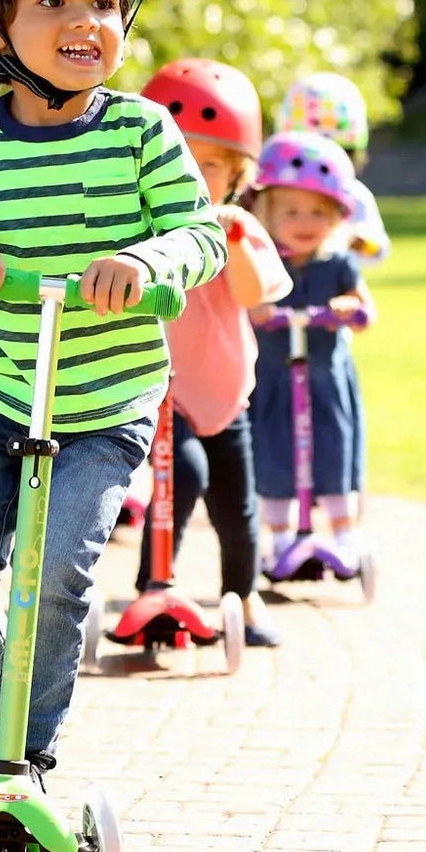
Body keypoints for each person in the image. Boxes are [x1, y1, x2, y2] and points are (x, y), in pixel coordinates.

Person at [0, 0, 227, 798]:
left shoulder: (143, 133)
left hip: (105, 404)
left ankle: (26, 755)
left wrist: (148, 261)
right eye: (54, 1)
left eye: (107, 3)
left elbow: (203, 234)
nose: (89, 21)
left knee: (56, 583)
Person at [134, 58, 292, 647]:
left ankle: (243, 596)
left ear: (238, 176)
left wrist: (231, 241)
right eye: (180, 164)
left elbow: (256, 298)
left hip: (227, 395)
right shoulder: (140, 229)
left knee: (237, 510)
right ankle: (156, 586)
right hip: (162, 393)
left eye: (210, 167)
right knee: (184, 477)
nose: (195, 179)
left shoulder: (241, 228)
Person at [247, 131, 377, 569]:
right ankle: (281, 538)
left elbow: (365, 309)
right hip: (273, 382)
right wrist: (256, 309)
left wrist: (350, 307)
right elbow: (240, 301)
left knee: (334, 452)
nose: (305, 221)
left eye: (319, 211)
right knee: (274, 454)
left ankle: (344, 534)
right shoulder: (263, 262)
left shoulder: (339, 264)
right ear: (265, 211)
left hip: (325, 382)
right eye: (291, 211)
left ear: (339, 215)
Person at [274, 71, 391, 266]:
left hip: (336, 287)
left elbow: (378, 250)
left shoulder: (355, 197)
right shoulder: (273, 196)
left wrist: (359, 242)